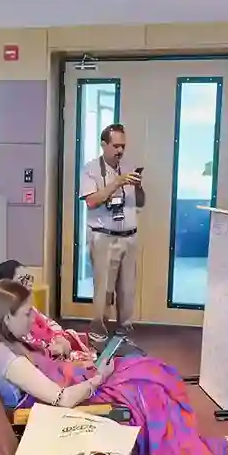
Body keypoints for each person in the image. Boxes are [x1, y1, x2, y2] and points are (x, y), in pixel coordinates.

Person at [0, 279, 228, 455]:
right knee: (148, 389)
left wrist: (81, 367)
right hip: (63, 407)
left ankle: (191, 452)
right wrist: (98, 378)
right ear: (7, 318)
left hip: (71, 389)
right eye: (27, 314)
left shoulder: (5, 343)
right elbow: (61, 399)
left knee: (146, 372)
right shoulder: (11, 360)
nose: (32, 319)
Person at [79, 123, 145, 339]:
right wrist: (117, 183)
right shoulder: (90, 169)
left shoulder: (129, 167)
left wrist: (138, 187)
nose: (120, 150)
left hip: (129, 237)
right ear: (103, 144)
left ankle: (124, 333)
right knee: (104, 291)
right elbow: (91, 201)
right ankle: (98, 334)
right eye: (116, 146)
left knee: (127, 290)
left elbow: (141, 202)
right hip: (104, 237)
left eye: (123, 146)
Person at [0, 260, 92, 362]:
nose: (29, 285)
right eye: (23, 280)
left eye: (29, 278)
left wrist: (59, 337)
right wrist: (56, 349)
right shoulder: (9, 322)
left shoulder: (29, 309)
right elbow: (33, 355)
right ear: (6, 290)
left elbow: (51, 324)